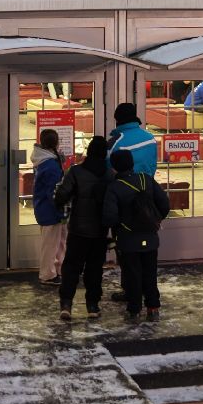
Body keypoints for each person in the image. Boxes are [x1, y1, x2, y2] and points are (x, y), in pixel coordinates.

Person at [103, 148, 171, 320]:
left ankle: (134, 309)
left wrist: (119, 228)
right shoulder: (146, 179)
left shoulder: (114, 187)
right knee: (150, 273)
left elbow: (110, 217)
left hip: (127, 240)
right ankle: (153, 308)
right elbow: (164, 204)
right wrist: (154, 221)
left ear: (114, 167)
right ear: (132, 163)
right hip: (150, 237)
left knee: (132, 274)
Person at [54, 136, 111, 319]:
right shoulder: (110, 174)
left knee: (71, 267)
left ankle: (66, 304)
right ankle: (92, 306)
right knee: (94, 268)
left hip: (78, 228)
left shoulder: (76, 171)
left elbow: (61, 196)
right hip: (100, 230)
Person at [30, 128, 67, 284]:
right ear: (56, 142)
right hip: (51, 210)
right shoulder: (51, 166)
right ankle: (47, 274)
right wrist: (61, 210)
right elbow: (53, 192)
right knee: (51, 245)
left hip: (44, 208)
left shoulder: (42, 160)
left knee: (56, 242)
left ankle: (58, 269)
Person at [102, 102, 158, 176]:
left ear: (117, 120)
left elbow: (108, 171)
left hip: (124, 186)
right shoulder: (150, 138)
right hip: (147, 185)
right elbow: (153, 165)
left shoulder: (115, 143)